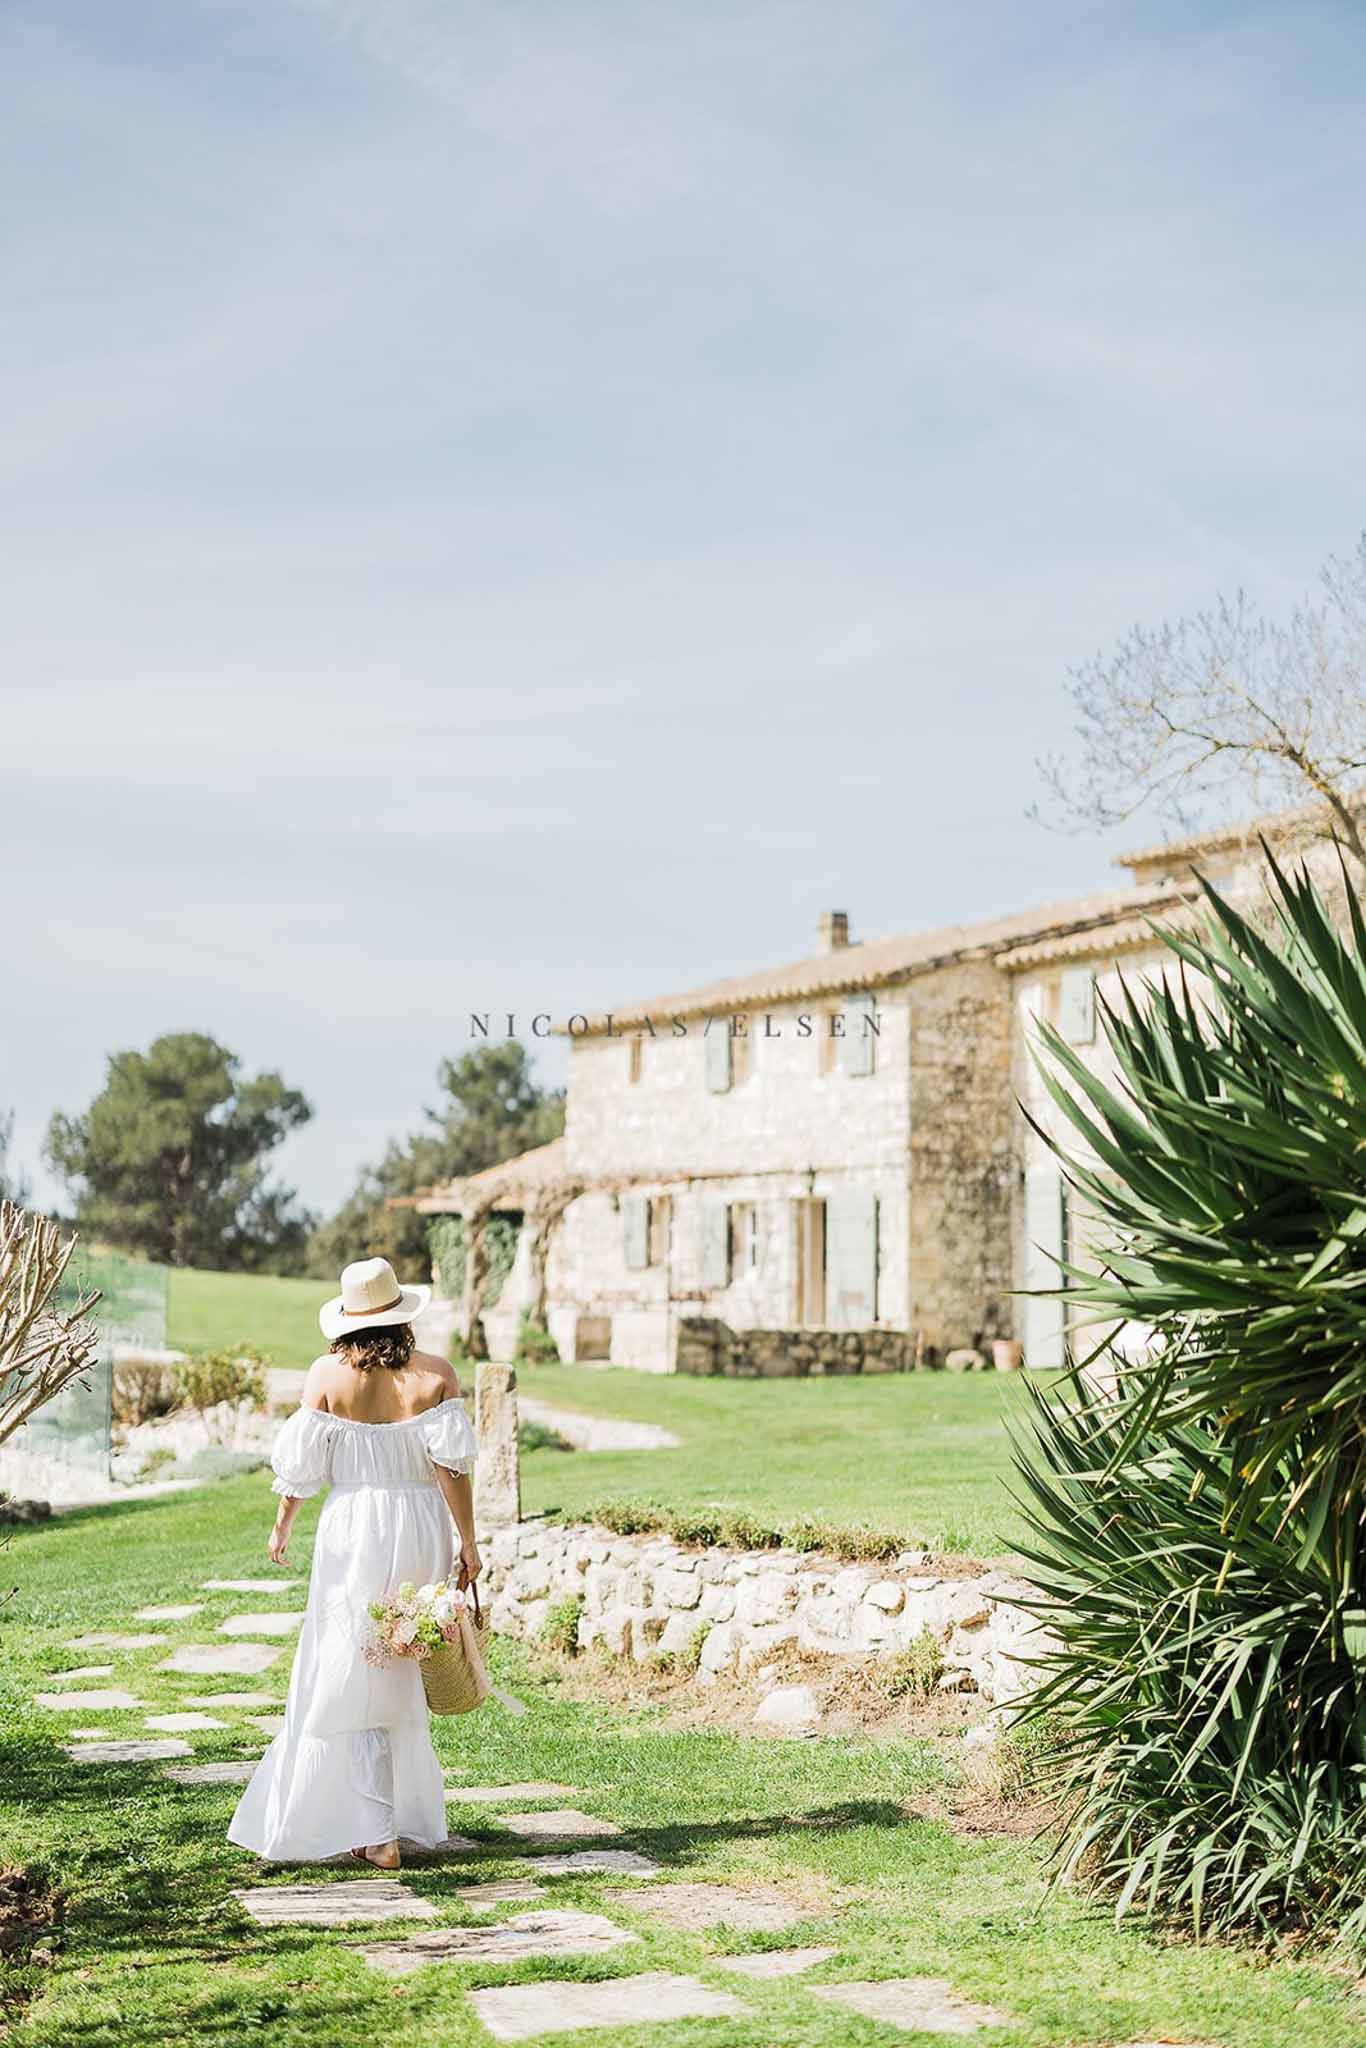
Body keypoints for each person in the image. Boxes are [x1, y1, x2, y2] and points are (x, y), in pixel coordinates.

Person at [228, 1257, 480, 1869]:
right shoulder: (436, 1375)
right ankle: (384, 1822)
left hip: (352, 1530)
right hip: (420, 1525)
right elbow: (451, 1470)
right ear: (401, 1315)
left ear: (346, 1319)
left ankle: (376, 1827)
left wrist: (282, 1522)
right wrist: (469, 1541)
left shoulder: (326, 1374)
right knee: (397, 1667)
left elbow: (303, 1467)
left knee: (345, 1664)